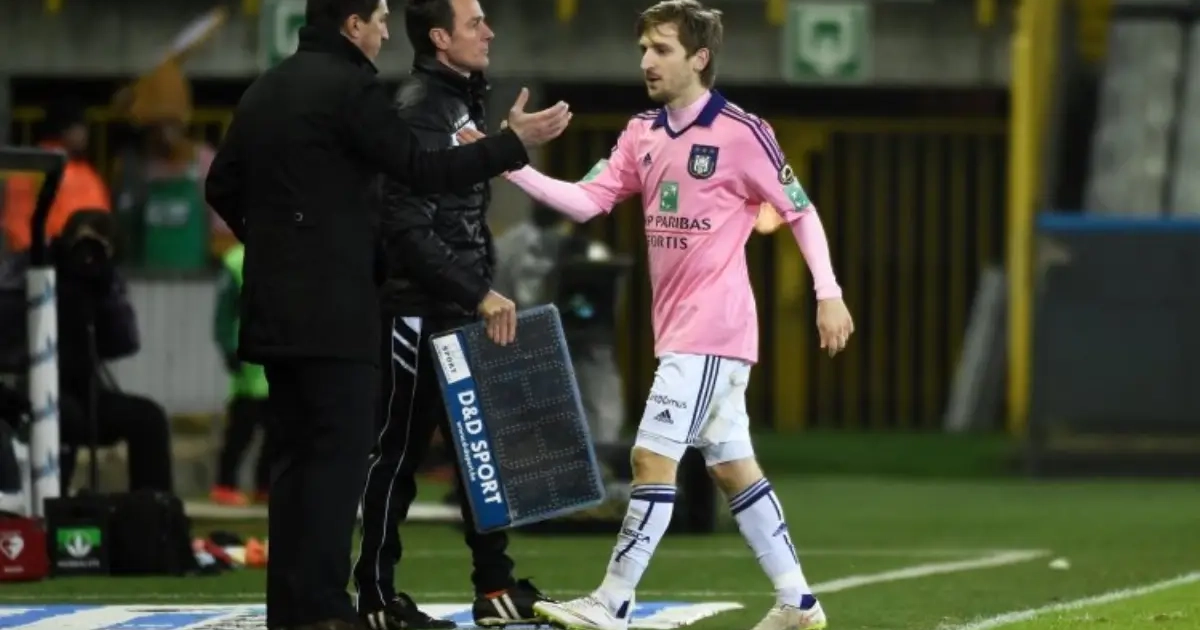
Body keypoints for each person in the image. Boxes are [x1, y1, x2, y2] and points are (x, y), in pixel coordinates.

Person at [462, 2, 855, 629]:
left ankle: (612, 601)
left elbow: (799, 211)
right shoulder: (642, 132)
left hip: (712, 330)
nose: (647, 60)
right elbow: (587, 200)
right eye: (644, 48)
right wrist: (510, 163)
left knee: (650, 459)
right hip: (684, 333)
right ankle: (798, 602)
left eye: (662, 49)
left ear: (699, 58)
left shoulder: (742, 132)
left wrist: (827, 292)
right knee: (733, 468)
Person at [202, 0, 570, 627]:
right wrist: (512, 146)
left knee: (300, 462)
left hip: (284, 306)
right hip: (357, 309)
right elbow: (418, 176)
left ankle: (299, 610)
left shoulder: (266, 88)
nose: (382, 30)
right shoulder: (361, 92)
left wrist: (278, 245)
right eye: (376, 18)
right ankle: (341, 605)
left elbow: (222, 186)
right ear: (353, 25)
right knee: (349, 461)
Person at [353, 1, 549, 628]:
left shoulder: (456, 102)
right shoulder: (420, 108)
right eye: (474, 24)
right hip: (417, 313)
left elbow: (458, 215)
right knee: (397, 456)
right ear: (440, 38)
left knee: (477, 454)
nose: (489, 31)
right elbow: (406, 227)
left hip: (456, 308)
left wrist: (474, 290)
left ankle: (494, 587)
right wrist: (476, 291)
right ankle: (376, 598)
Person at [1, 101, 110, 254]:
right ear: (64, 130)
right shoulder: (71, 173)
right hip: (53, 256)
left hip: (40, 255)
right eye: (80, 127)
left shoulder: (29, 169)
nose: (85, 134)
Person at [209, 243, 272, 506]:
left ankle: (265, 485)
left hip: (279, 355)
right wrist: (227, 349)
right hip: (249, 359)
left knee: (278, 429)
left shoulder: (290, 249)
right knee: (242, 427)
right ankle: (225, 484)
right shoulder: (237, 261)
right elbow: (223, 313)